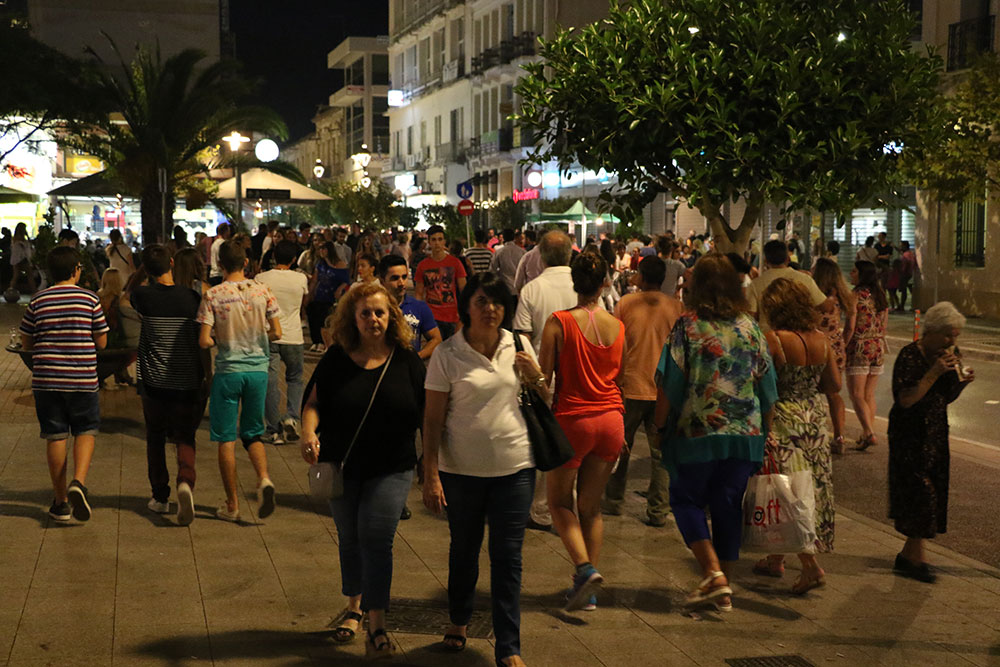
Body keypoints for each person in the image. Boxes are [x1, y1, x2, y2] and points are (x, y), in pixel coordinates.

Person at [423, 272, 542, 667]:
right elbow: (432, 420)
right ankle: (459, 618)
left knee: (508, 557)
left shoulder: (519, 345)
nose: (490, 309)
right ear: (467, 307)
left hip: (516, 466)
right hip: (461, 472)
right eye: (481, 301)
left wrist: (537, 377)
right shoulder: (448, 354)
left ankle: (509, 646)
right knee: (464, 550)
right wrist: (431, 473)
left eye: (497, 302)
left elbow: (544, 397)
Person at [299, 282, 424, 656]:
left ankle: (377, 623)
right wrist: (308, 432)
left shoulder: (407, 361)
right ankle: (353, 605)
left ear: (392, 316)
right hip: (342, 463)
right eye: (365, 313)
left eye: (380, 312)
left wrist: (433, 466)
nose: (373, 319)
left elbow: (428, 414)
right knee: (350, 536)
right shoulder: (337, 359)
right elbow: (313, 403)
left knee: (377, 537)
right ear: (353, 319)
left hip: (392, 466)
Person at [654, 255, 777, 611]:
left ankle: (713, 574)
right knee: (727, 505)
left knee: (685, 500)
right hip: (746, 433)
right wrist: (766, 429)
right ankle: (724, 588)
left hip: (699, 431)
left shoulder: (688, 326)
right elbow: (767, 384)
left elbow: (670, 382)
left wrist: (659, 426)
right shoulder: (749, 326)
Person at [538, 252, 625, 610]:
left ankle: (584, 568)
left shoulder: (558, 323)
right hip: (611, 420)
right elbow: (619, 375)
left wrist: (527, 371)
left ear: (574, 282)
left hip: (573, 420)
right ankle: (586, 592)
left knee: (559, 502)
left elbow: (543, 383)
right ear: (605, 282)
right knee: (591, 507)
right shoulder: (617, 326)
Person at [754, 278, 842, 593]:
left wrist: (763, 429)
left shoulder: (774, 339)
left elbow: (763, 386)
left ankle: (810, 567)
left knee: (788, 491)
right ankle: (775, 558)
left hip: (784, 420)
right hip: (814, 421)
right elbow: (834, 385)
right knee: (809, 488)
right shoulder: (822, 340)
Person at [19, 246, 109, 521]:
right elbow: (102, 341)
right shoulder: (90, 299)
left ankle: (60, 502)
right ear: (76, 270)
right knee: (85, 430)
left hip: (47, 380)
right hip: (82, 378)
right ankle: (78, 482)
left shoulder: (38, 300)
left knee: (56, 435)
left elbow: (26, 342)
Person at [888, 302, 974, 583]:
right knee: (919, 490)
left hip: (935, 430)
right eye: (948, 335)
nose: (951, 342)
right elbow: (906, 399)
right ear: (932, 331)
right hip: (909, 433)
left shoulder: (949, 355)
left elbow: (945, 396)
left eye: (955, 336)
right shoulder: (910, 355)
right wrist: (934, 372)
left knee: (933, 488)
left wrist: (961, 382)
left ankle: (909, 556)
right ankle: (915, 559)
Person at [197, 240, 281, 522]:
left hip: (228, 372)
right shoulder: (262, 291)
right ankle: (264, 478)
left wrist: (223, 338)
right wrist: (255, 337)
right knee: (253, 433)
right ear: (246, 263)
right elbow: (277, 332)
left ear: (220, 264)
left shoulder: (213, 295)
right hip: (258, 371)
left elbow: (204, 340)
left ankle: (232, 504)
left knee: (226, 438)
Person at [131, 244, 208, 524]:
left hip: (153, 382)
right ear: (172, 263)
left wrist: (143, 269)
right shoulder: (191, 298)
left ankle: (160, 497)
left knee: (155, 437)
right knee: (185, 436)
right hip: (186, 380)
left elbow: (129, 290)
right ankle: (185, 481)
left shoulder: (142, 296)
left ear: (146, 269)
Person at [603, 256, 682, 526]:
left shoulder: (625, 304)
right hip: (664, 389)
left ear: (642, 276)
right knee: (660, 453)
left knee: (620, 447)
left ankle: (614, 501)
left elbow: (615, 343)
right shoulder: (676, 307)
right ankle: (658, 510)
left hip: (630, 385)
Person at [512, 231, 577, 532]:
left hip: (541, 375)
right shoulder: (582, 285)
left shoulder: (532, 289)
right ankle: (567, 503)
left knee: (543, 437)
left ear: (540, 255)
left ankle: (541, 508)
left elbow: (522, 337)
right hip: (578, 375)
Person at [256, 240, 309, 445]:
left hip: (270, 334)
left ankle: (273, 429)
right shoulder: (300, 278)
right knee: (295, 378)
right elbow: (304, 302)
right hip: (294, 336)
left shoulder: (261, 278)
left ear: (273, 256)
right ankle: (291, 417)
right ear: (294, 259)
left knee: (270, 381)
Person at [812, 258, 856, 453]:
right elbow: (851, 326)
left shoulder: (814, 296)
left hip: (814, 346)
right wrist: (841, 342)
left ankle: (813, 434)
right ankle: (839, 437)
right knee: (833, 394)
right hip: (835, 346)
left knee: (810, 391)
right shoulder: (843, 297)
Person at [845, 260, 889, 451]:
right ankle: (866, 433)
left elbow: (850, 326)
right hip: (877, 347)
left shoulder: (855, 295)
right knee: (869, 394)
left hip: (859, 347)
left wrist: (843, 345)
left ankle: (869, 433)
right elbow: (884, 326)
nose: (851, 274)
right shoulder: (880, 295)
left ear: (862, 274)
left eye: (854, 271)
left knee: (856, 394)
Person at [746, 240, 831, 330]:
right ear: (788, 259)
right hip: (799, 333)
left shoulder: (756, 283)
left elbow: (751, 316)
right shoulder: (805, 279)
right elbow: (826, 306)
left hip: (767, 335)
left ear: (766, 261)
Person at [379, 254, 441, 361]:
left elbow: (436, 339)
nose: (401, 283)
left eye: (404, 277)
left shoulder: (419, 307)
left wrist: (416, 359)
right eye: (395, 278)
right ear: (382, 281)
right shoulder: (374, 309)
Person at [415, 225, 467, 340]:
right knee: (435, 347)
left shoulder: (455, 263)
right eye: (433, 240)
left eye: (440, 239)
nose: (437, 243)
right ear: (429, 242)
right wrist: (419, 314)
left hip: (452, 316)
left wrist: (463, 314)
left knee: (452, 348)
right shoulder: (423, 265)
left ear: (444, 241)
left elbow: (464, 290)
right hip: (432, 316)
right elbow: (419, 293)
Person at [306, 242, 350, 353]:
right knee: (314, 317)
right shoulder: (320, 264)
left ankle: (324, 342)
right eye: (320, 249)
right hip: (320, 294)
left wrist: (340, 289)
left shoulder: (340, 264)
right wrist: (309, 294)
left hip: (331, 295)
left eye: (323, 249)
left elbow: (346, 280)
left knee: (325, 319)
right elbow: (315, 280)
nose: (321, 252)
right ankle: (316, 341)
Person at [96, 267, 135, 388]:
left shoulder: (98, 297)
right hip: (116, 338)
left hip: (100, 336)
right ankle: (121, 372)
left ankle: (119, 373)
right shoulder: (121, 299)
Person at [490, 228, 526, 294]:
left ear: (503, 237)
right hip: (520, 288)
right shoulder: (522, 252)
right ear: (514, 237)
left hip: (505, 287)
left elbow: (492, 270)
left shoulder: (499, 252)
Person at [898, 241, 917, 312]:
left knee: (904, 291)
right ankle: (915, 304)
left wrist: (901, 273)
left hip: (906, 275)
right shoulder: (911, 254)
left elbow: (904, 267)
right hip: (911, 274)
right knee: (911, 290)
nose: (900, 247)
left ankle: (902, 305)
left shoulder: (905, 256)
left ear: (904, 246)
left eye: (901, 246)